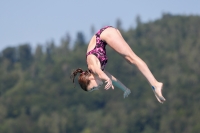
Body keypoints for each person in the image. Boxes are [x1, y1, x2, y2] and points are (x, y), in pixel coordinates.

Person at [71, 26, 166, 103]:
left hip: (105, 34)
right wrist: (125, 89)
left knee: (132, 58)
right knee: (130, 60)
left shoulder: (92, 66)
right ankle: (153, 86)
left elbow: (101, 74)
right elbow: (113, 80)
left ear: (91, 78)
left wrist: (107, 79)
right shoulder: (99, 73)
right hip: (107, 36)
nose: (97, 88)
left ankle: (155, 84)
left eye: (94, 87)